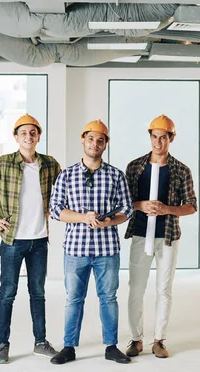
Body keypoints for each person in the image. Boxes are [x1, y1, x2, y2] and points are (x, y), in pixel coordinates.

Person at [0, 114, 61, 364]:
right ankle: (2, 345)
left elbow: (61, 191)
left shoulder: (50, 164)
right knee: (7, 293)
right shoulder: (3, 163)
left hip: (40, 240)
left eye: (33, 132)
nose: (29, 136)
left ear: (38, 136)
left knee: (38, 293)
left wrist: (56, 207)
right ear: (16, 136)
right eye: (24, 133)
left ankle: (40, 342)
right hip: (13, 240)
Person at [49, 119, 133, 365]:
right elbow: (55, 210)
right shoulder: (67, 175)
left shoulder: (115, 175)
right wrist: (83, 218)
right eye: (91, 139)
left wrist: (109, 221)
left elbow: (127, 209)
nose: (95, 143)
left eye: (100, 140)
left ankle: (111, 346)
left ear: (105, 144)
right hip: (76, 250)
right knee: (74, 298)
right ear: (83, 140)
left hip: (107, 250)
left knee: (108, 297)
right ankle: (68, 347)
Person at [124, 115, 197, 359]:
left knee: (164, 289)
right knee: (136, 288)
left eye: (163, 137)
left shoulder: (181, 170)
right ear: (150, 137)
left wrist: (167, 209)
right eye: (154, 137)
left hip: (167, 238)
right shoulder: (135, 167)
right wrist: (140, 204)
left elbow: (191, 206)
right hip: (140, 234)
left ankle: (159, 340)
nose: (158, 142)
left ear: (171, 138)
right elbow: (123, 202)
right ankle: (136, 339)